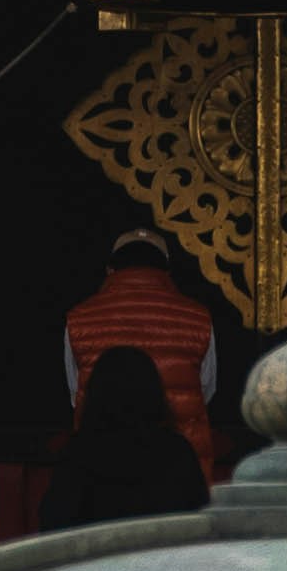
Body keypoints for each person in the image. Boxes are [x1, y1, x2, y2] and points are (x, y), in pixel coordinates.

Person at [63, 227, 220, 476]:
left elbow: (77, 396)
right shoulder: (199, 318)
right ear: (167, 272)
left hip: (101, 471)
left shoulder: (80, 319)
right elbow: (205, 392)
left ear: (110, 270)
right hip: (177, 471)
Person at [40, 343, 212, 534]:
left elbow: (54, 525)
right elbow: (199, 522)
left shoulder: (77, 454)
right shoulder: (177, 452)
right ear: (153, 392)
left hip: (96, 562)